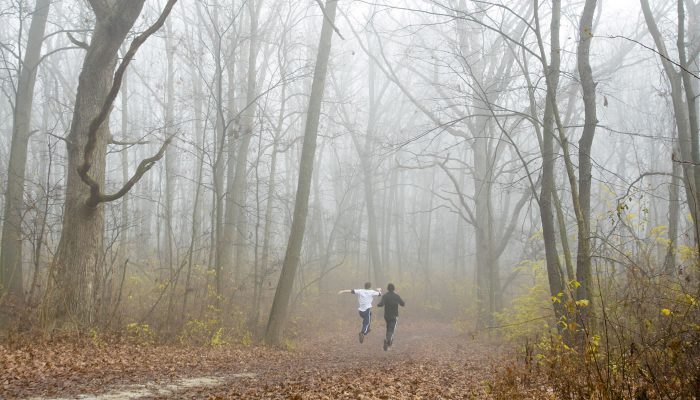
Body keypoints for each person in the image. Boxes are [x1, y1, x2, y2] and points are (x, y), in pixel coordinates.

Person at [377, 283, 405, 351]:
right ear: (394, 288)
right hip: (394, 315)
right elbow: (403, 304)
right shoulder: (396, 296)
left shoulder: (385, 296)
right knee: (391, 329)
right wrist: (397, 302)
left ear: (387, 288)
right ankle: (388, 341)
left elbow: (381, 304)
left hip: (386, 315)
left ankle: (388, 342)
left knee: (388, 327)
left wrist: (378, 304)